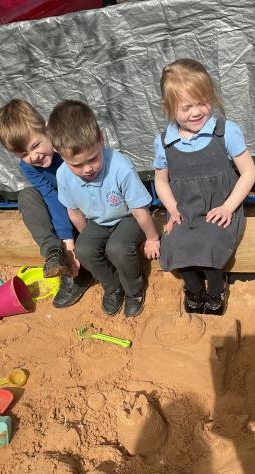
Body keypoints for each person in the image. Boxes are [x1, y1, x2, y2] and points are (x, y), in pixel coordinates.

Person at [154, 58, 255, 315]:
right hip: (185, 209)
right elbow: (161, 181)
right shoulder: (165, 142)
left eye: (202, 102)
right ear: (169, 108)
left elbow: (248, 172)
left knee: (211, 241)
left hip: (219, 208)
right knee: (174, 243)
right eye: (186, 107)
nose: (196, 112)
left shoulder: (225, 131)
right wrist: (172, 209)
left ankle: (215, 289)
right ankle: (193, 288)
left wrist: (228, 207)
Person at [47, 100, 161, 318]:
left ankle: (134, 291)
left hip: (128, 217)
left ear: (101, 138)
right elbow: (74, 212)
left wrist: (152, 238)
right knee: (84, 250)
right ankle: (112, 286)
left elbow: (139, 209)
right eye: (77, 165)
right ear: (59, 152)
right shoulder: (63, 175)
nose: (87, 169)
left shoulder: (120, 166)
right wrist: (89, 238)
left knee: (117, 248)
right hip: (98, 222)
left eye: (92, 159)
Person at [0, 99, 94, 308]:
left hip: (87, 206)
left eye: (35, 145)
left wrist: (73, 236)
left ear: (47, 129)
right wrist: (66, 240)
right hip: (63, 210)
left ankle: (84, 264)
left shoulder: (68, 146)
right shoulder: (28, 167)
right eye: (24, 154)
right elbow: (51, 197)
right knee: (27, 197)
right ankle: (55, 255)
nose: (34, 156)